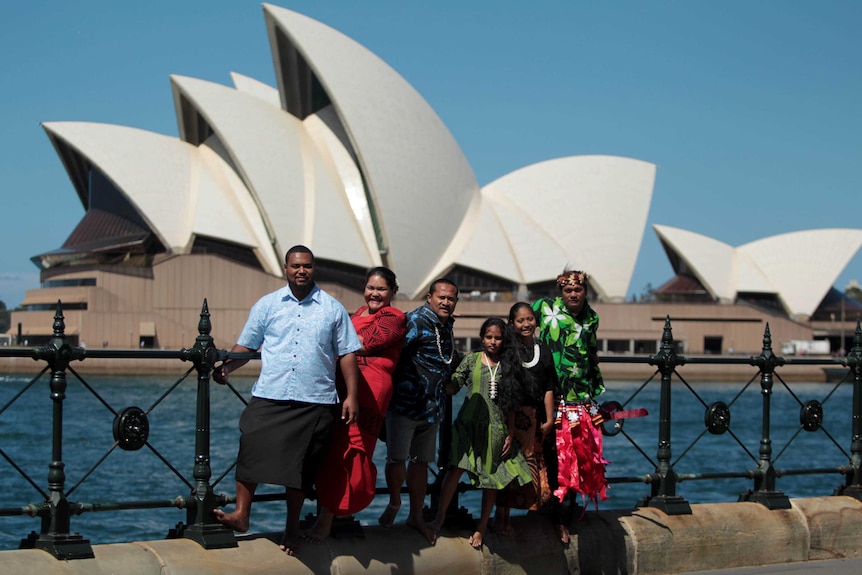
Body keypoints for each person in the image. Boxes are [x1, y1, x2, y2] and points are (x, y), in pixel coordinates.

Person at [212, 245, 361, 556]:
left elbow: (347, 353)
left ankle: (292, 528)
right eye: (295, 266)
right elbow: (247, 345)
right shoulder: (267, 305)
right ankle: (242, 514)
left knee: (301, 467)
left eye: (306, 266)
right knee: (251, 444)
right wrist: (227, 366)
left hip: (315, 398)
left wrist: (351, 396)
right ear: (285, 268)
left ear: (314, 268)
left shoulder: (332, 308)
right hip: (271, 393)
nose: (301, 271)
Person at [305, 266, 406, 542]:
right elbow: (345, 341)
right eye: (371, 288)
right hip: (343, 387)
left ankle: (329, 518)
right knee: (332, 449)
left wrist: (332, 341)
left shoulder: (395, 318)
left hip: (370, 392)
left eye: (381, 289)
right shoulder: (356, 315)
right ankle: (333, 510)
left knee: (352, 452)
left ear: (392, 292)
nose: (375, 294)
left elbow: (363, 343)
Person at [428, 317, 533, 549]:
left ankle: (482, 526)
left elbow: (511, 405)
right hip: (467, 426)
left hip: (495, 428)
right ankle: (439, 517)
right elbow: (454, 385)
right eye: (488, 337)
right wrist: (440, 378)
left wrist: (510, 432)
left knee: (491, 478)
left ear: (503, 340)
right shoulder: (472, 360)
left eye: (497, 338)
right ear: (482, 338)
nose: (493, 342)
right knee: (455, 469)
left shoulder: (508, 366)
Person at [380, 278, 459, 544]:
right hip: (406, 405)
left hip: (433, 407)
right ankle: (394, 502)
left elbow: (447, 359)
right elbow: (392, 352)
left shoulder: (446, 325)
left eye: (451, 299)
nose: (446, 302)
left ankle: (416, 515)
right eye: (442, 297)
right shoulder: (414, 321)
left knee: (421, 462)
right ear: (429, 297)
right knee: (396, 459)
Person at [532, 270, 608, 512]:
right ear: (560, 293)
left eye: (578, 290)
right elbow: (518, 322)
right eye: (568, 291)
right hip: (547, 392)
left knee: (577, 454)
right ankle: (544, 507)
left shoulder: (592, 318)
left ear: (586, 291)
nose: (573, 294)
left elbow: (591, 348)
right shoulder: (544, 307)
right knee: (547, 451)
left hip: (578, 397)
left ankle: (567, 509)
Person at [494, 302, 561, 540]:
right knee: (509, 467)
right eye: (520, 321)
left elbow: (549, 386)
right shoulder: (508, 351)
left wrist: (550, 418)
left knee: (540, 469)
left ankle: (549, 518)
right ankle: (502, 517)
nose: (526, 324)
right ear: (512, 324)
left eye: (530, 319)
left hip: (537, 419)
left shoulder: (542, 350)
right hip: (512, 417)